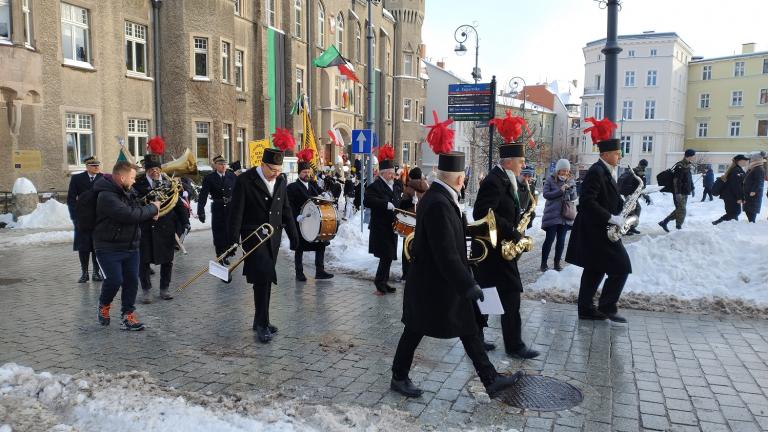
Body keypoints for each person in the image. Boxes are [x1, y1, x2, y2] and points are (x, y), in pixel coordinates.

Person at [391, 150, 523, 399]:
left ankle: (490, 379)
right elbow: (446, 253)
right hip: (435, 284)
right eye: (463, 177)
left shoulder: (440, 196)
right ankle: (398, 376)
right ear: (460, 179)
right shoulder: (439, 202)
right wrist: (467, 284)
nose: (463, 181)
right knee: (415, 329)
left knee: (468, 329)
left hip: (438, 282)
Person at [473, 143, 540, 359]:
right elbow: (482, 211)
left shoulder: (505, 179)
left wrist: (521, 220)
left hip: (499, 251)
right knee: (510, 295)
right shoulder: (494, 180)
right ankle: (514, 345)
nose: (523, 165)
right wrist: (512, 230)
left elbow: (501, 209)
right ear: (508, 162)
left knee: (488, 294)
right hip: (494, 251)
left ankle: (477, 338)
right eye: (521, 162)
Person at [229, 145, 299, 343]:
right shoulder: (245, 180)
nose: (275, 174)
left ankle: (261, 319)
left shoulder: (281, 181)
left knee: (265, 278)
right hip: (253, 236)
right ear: (262, 165)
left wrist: (294, 235)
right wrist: (233, 240)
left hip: (273, 238)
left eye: (279, 171)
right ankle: (261, 324)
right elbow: (236, 212)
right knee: (262, 276)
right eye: (272, 170)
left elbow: (285, 209)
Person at [565, 136, 631, 323]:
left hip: (599, 229)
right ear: (606, 154)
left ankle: (586, 309)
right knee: (621, 266)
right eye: (617, 154)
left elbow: (606, 197)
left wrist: (622, 203)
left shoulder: (606, 170)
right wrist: (611, 217)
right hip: (596, 230)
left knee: (595, 269)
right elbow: (587, 201)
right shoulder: (597, 171)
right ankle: (607, 306)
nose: (620, 157)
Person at [94, 161, 160, 331]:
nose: (134, 181)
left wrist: (149, 210)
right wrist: (152, 209)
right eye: (131, 177)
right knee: (115, 280)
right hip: (108, 247)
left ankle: (127, 315)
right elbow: (128, 215)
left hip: (131, 246)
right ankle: (104, 304)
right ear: (121, 177)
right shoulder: (106, 196)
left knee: (131, 282)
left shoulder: (129, 191)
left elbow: (138, 210)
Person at [134, 156, 189, 303]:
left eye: (157, 169)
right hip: (145, 226)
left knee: (167, 260)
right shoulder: (137, 184)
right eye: (152, 169)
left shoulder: (168, 183)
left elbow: (177, 204)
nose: (155, 172)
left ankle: (164, 289)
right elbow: (134, 202)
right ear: (147, 171)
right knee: (143, 260)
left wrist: (185, 221)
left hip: (165, 226)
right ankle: (146, 290)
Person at [287, 150, 334, 282]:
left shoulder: (313, 185)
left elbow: (321, 196)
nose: (307, 174)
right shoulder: (292, 187)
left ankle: (320, 271)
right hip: (300, 222)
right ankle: (299, 272)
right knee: (299, 247)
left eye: (308, 172)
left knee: (320, 244)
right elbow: (289, 205)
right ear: (299, 173)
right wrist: (297, 216)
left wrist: (325, 195)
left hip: (314, 223)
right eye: (304, 172)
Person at [363, 146, 402, 294]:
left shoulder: (395, 186)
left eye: (393, 173)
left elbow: (399, 202)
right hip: (381, 227)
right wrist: (385, 204)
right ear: (383, 173)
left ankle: (383, 282)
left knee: (389, 256)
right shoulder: (375, 186)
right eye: (390, 174)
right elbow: (368, 201)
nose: (393, 176)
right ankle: (380, 282)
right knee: (386, 255)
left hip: (392, 226)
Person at [67, 156, 104, 283]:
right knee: (83, 247)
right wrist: (74, 217)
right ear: (87, 167)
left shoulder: (103, 178)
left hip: (98, 218)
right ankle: (84, 273)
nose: (97, 167)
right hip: (82, 218)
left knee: (97, 247)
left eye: (98, 165)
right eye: (94, 166)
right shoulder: (77, 178)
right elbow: (71, 199)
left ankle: (96, 273)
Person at [197, 155, 237, 264]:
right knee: (219, 233)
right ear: (215, 165)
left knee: (230, 232)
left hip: (230, 208)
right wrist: (200, 211)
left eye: (224, 164)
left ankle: (227, 253)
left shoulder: (232, 176)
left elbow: (238, 192)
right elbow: (203, 195)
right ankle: (220, 255)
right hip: (218, 207)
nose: (223, 166)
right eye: (220, 164)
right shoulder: (209, 178)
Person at [540, 159, 578, 272]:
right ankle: (543, 264)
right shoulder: (550, 180)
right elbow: (546, 194)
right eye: (563, 170)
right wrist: (560, 191)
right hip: (552, 214)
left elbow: (574, 198)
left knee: (561, 240)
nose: (565, 173)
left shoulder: (571, 181)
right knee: (550, 239)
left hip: (565, 215)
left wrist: (570, 192)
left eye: (567, 171)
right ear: (558, 170)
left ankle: (557, 263)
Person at [397, 167, 428, 280]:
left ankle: (406, 274)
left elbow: (402, 207)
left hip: (410, 222)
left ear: (410, 176)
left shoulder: (408, 188)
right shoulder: (427, 188)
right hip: (422, 221)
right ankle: (419, 273)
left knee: (407, 248)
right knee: (420, 247)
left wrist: (409, 202)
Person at [659, 149, 695, 232]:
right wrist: (677, 193)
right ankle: (678, 227)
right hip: (679, 192)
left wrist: (692, 188)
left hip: (685, 191)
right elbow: (676, 180)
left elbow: (689, 178)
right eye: (693, 156)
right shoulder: (680, 166)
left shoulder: (688, 165)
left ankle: (664, 222)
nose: (694, 157)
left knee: (680, 210)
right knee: (682, 210)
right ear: (689, 156)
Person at [617, 159, 651, 236]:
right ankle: (625, 228)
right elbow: (640, 186)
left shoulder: (637, 172)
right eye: (643, 165)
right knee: (631, 211)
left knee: (637, 209)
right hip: (630, 194)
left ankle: (631, 227)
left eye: (644, 165)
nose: (643, 167)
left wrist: (645, 196)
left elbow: (640, 187)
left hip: (632, 194)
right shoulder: (637, 172)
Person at [713, 155, 748, 225]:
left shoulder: (736, 169)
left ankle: (733, 227)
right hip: (731, 196)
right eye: (745, 160)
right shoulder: (737, 171)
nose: (746, 162)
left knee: (732, 213)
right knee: (735, 212)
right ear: (739, 161)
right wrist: (739, 198)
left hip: (729, 196)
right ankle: (717, 222)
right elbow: (736, 186)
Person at [743, 152, 765, 223]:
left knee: (751, 210)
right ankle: (751, 222)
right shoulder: (753, 168)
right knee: (748, 209)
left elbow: (759, 181)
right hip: (748, 193)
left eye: (752, 159)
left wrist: (754, 191)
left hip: (753, 194)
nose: (750, 161)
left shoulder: (759, 169)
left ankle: (752, 223)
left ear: (755, 160)